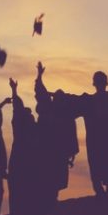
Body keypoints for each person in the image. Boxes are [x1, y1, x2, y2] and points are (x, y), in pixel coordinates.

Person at [7, 79, 52, 215]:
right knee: (22, 196)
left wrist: (15, 90)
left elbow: (18, 109)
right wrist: (14, 91)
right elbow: (17, 109)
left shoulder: (34, 130)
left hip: (29, 167)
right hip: (22, 166)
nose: (31, 116)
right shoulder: (24, 130)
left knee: (35, 195)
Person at [74, 69, 108, 197]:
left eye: (101, 82)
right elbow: (70, 100)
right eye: (99, 82)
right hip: (96, 141)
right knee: (97, 165)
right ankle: (101, 190)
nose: (100, 85)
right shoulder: (89, 101)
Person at [34, 62, 79, 203]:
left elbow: (71, 135)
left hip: (58, 152)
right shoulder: (50, 110)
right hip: (48, 151)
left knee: (55, 180)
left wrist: (70, 154)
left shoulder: (66, 116)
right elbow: (40, 91)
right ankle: (48, 201)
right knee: (48, 178)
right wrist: (39, 75)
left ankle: (51, 200)